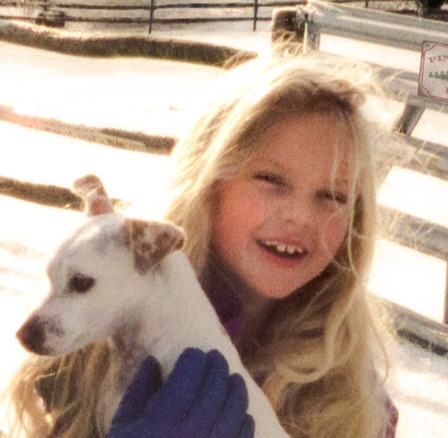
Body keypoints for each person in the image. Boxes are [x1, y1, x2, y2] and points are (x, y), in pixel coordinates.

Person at [5, 52, 398, 438]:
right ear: (207, 182)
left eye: (331, 196)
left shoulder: (348, 397)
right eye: (270, 180)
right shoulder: (86, 341)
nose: (301, 216)